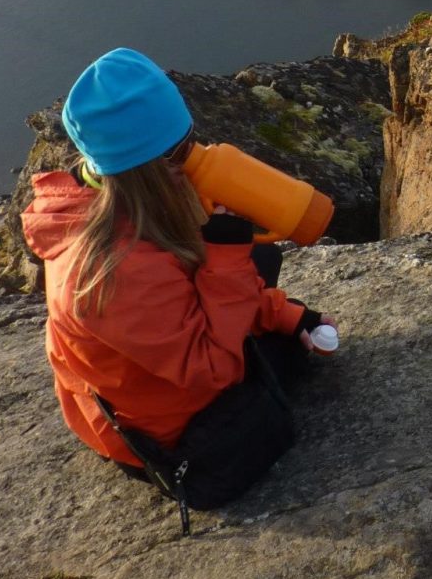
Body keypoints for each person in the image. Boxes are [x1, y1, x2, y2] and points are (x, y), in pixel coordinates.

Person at [21, 47, 334, 475]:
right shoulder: (110, 270)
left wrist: (285, 315)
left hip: (154, 368)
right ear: (147, 167)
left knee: (259, 259)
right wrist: (225, 257)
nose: (194, 157)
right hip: (166, 430)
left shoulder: (128, 203)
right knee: (284, 367)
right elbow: (213, 370)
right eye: (181, 151)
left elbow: (186, 283)